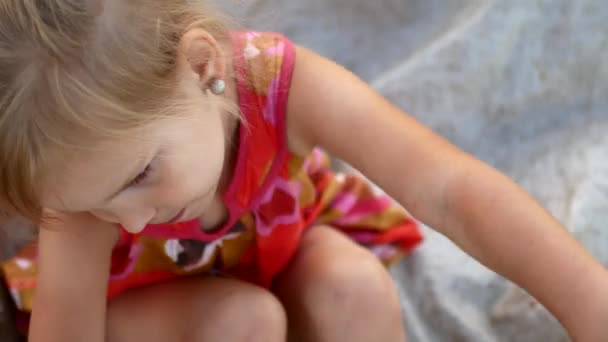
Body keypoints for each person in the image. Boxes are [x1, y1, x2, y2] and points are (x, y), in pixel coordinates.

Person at [0, 1, 606, 341]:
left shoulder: (284, 85)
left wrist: (589, 306)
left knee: (354, 288)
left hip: (273, 255)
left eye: (140, 176)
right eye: (95, 205)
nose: (127, 219)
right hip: (144, 308)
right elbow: (69, 331)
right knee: (240, 323)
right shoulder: (91, 178)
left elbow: (448, 190)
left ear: (201, 65)